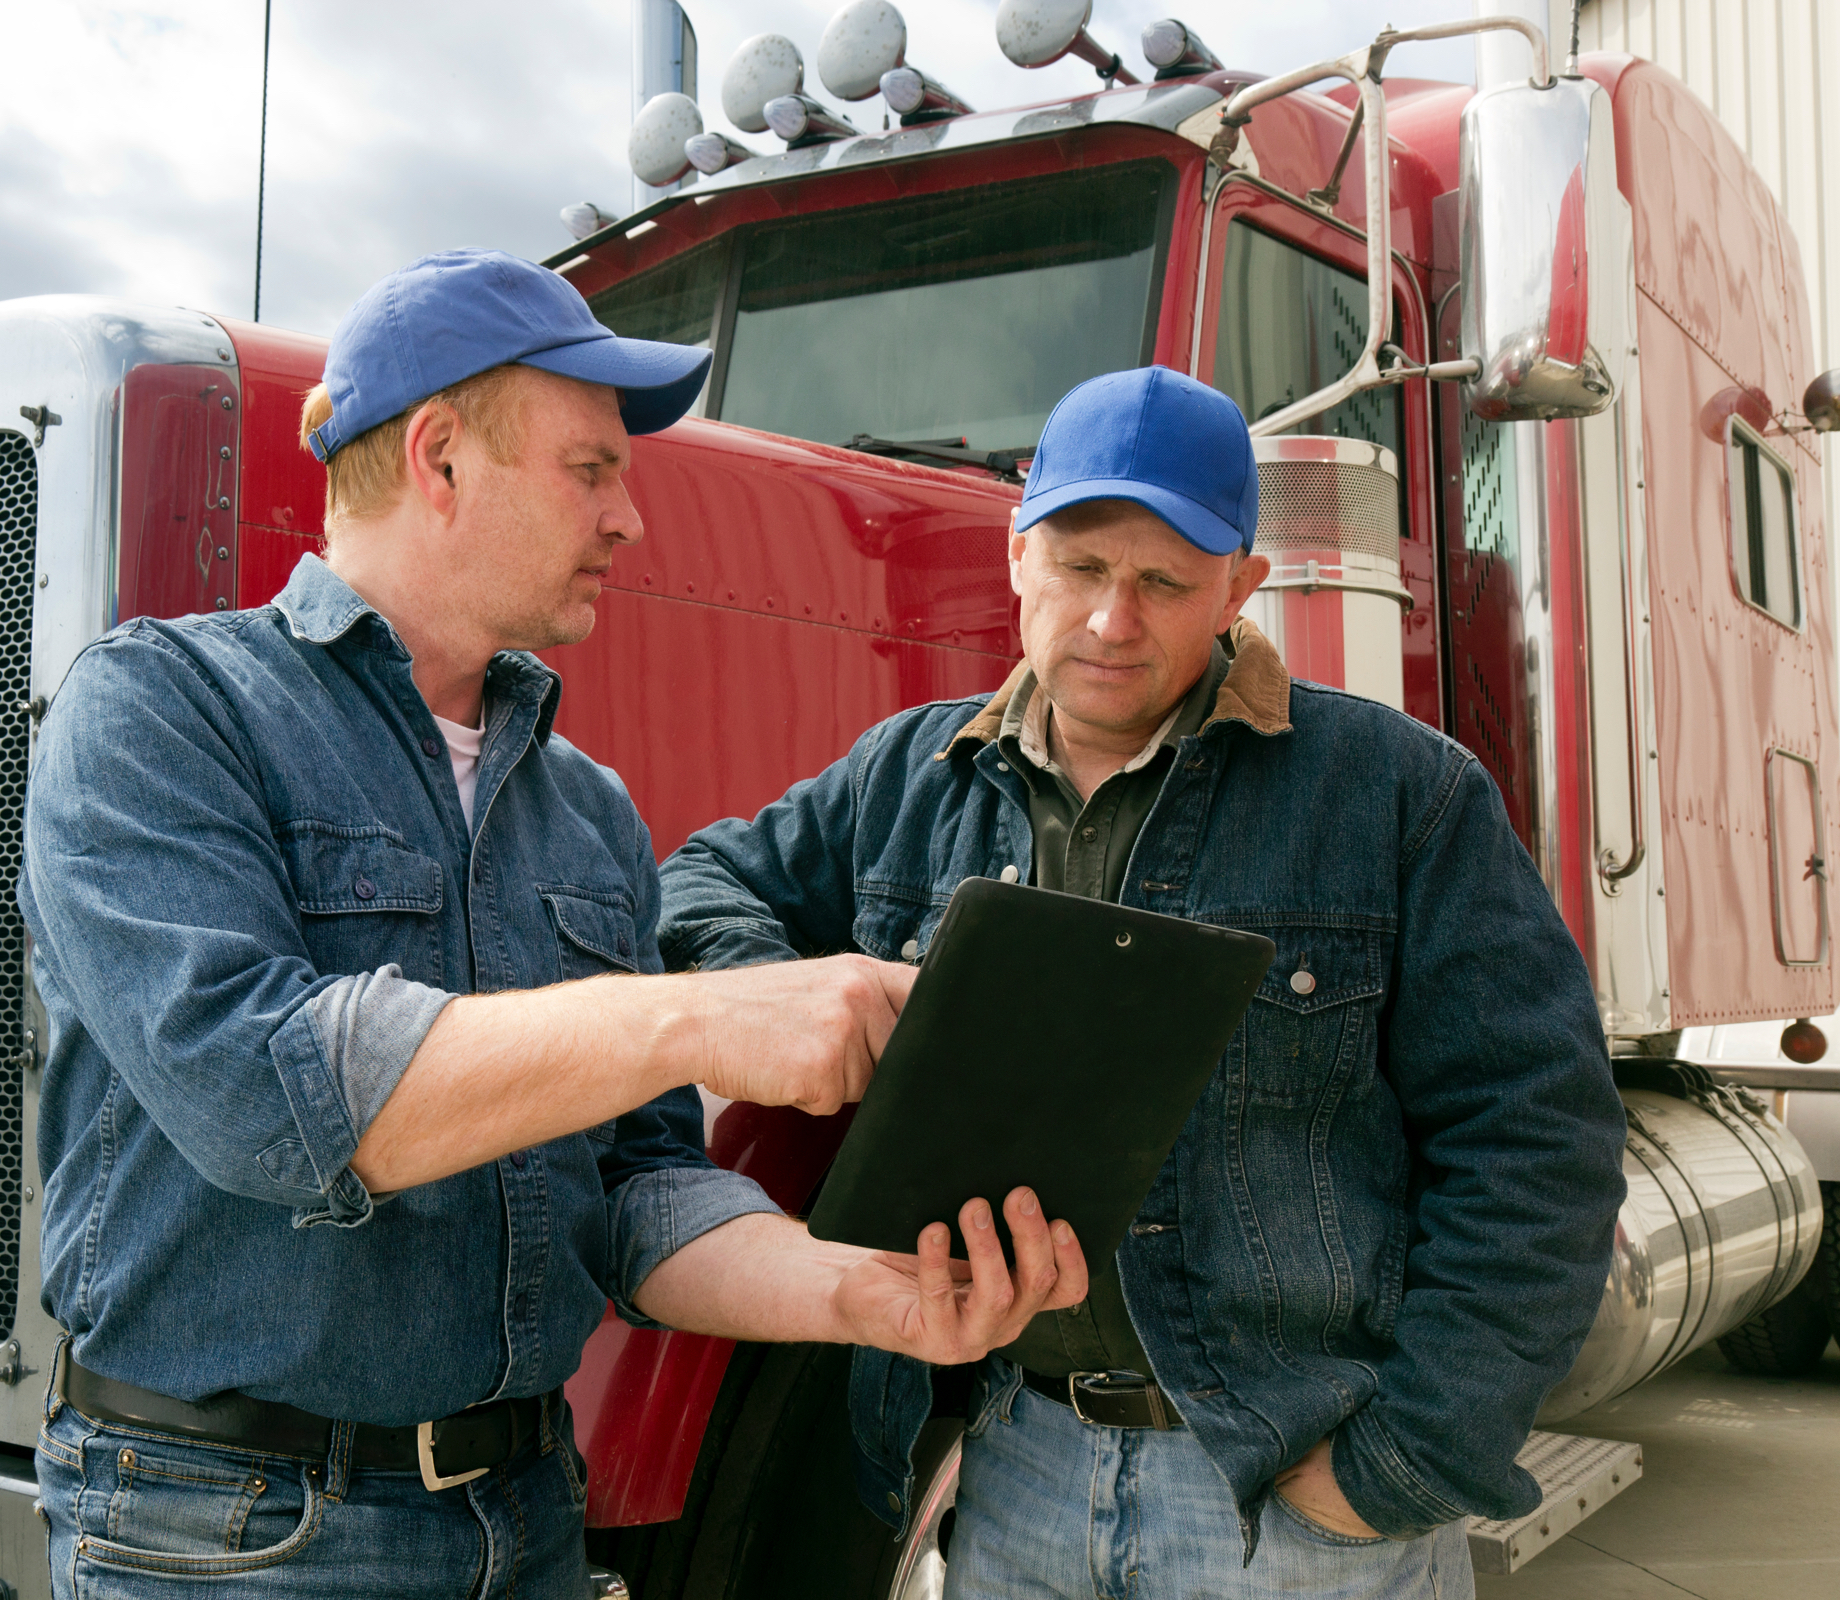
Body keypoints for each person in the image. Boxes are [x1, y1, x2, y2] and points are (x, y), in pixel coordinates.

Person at [19, 249, 1086, 1599]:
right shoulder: (162, 713)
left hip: (525, 1518)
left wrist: (856, 1296)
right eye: (594, 469)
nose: (631, 519)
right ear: (442, 458)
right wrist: (700, 1016)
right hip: (235, 1536)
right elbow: (269, 1098)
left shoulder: (582, 806)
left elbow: (635, 1194)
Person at [658, 365, 1628, 1599]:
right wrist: (796, 1003)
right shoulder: (904, 777)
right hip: (1011, 1469)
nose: (1113, 619)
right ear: (1017, 558)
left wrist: (1401, 1464)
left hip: (1288, 1501)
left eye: (1164, 580)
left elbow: (1538, 1140)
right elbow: (696, 884)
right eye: (1079, 567)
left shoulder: (1396, 796)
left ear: (1239, 587)